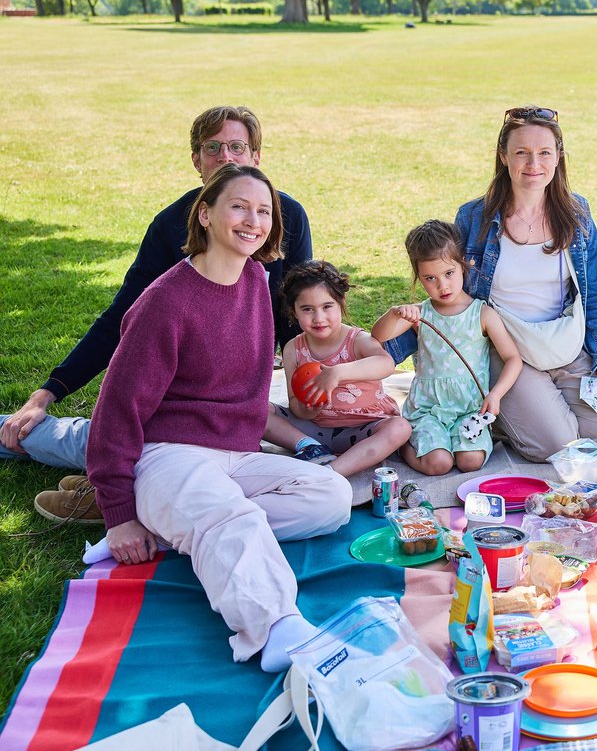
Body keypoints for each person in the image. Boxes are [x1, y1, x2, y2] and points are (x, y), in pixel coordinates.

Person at [86, 164, 351, 671]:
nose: (253, 220)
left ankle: (172, 529)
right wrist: (119, 514)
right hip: (170, 454)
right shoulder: (165, 302)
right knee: (233, 516)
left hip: (235, 454)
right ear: (205, 214)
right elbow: (116, 410)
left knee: (331, 497)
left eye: (264, 211)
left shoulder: (255, 278)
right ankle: (277, 627)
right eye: (239, 206)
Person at [1, 106, 316, 521]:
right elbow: (121, 319)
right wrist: (46, 393)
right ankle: (108, 478)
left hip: (248, 386)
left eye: (237, 146)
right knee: (123, 434)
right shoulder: (170, 229)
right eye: (212, 148)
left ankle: (150, 493)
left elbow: (301, 316)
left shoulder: (283, 218)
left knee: (299, 446)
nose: (225, 157)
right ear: (197, 162)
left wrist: (326, 378)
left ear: (256, 157)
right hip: (174, 396)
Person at [387, 106, 597, 463]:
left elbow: (593, 297)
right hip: (508, 351)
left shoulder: (577, 213)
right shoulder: (475, 217)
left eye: (545, 152)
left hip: (564, 344)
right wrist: (383, 354)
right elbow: (448, 294)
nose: (534, 163)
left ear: (559, 156)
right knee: (555, 447)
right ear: (503, 156)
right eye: (521, 152)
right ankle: (513, 412)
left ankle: (520, 416)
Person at [372, 221, 522, 476]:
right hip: (428, 409)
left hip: (468, 409)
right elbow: (378, 335)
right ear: (419, 278)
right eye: (430, 278)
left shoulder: (481, 313)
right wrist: (396, 313)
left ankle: (446, 444)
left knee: (470, 461)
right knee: (438, 464)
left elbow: (512, 358)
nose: (442, 286)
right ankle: (403, 445)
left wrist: (495, 394)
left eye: (449, 273)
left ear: (463, 263)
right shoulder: (422, 314)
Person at [274, 260, 412, 479]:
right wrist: (308, 410)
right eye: (307, 309)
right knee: (257, 410)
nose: (318, 318)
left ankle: (331, 473)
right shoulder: (293, 349)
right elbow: (294, 403)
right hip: (316, 429)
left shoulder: (357, 340)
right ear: (294, 311)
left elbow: (385, 363)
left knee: (400, 428)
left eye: (327, 307)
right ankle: (309, 447)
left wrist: (337, 373)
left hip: (364, 431)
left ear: (341, 302)